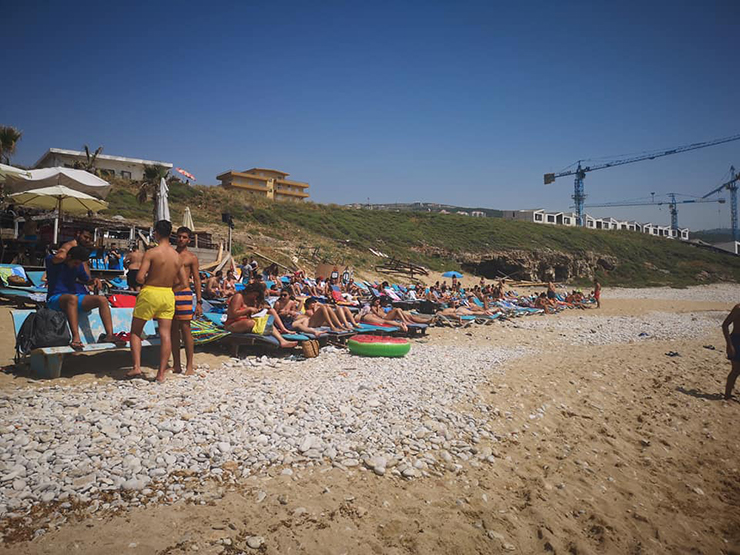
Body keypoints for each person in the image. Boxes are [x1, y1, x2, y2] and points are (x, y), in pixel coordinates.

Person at [126, 220, 187, 383]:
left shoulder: (152, 253)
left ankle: (136, 366)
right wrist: (171, 289)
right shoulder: (177, 257)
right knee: (165, 334)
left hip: (150, 292)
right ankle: (160, 374)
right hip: (167, 294)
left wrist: (147, 280)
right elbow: (184, 283)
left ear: (156, 233)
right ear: (170, 234)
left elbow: (139, 278)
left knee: (136, 332)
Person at [45, 246, 122, 350]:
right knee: (72, 299)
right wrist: (70, 246)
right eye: (75, 263)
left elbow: (86, 280)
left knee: (102, 300)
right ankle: (76, 337)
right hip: (55, 298)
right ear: (69, 257)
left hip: (73, 298)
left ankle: (109, 335)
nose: (77, 265)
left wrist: (94, 280)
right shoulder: (53, 262)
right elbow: (60, 256)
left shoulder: (78, 265)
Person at [224, 283, 298, 348]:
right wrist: (248, 309)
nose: (255, 297)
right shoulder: (239, 296)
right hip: (232, 323)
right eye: (255, 295)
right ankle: (274, 333)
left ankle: (282, 339)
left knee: (267, 316)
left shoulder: (252, 299)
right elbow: (233, 313)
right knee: (251, 323)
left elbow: (252, 313)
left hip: (246, 321)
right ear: (251, 292)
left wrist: (259, 309)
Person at [171, 227, 202, 376]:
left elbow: (197, 280)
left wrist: (199, 302)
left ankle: (189, 365)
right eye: (179, 236)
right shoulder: (171, 254)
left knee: (185, 329)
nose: (181, 239)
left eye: (184, 237)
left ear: (189, 240)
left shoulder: (191, 258)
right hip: (170, 293)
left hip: (184, 293)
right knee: (173, 330)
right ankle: (176, 364)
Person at [721, 304, 740, 400]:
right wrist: (729, 344)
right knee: (736, 370)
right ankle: (727, 395)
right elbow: (725, 325)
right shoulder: (738, 309)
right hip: (736, 341)